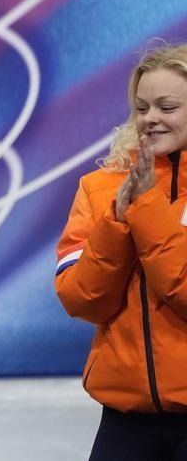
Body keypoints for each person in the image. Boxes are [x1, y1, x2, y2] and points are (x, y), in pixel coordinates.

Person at [55, 41, 187, 460]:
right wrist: (115, 223)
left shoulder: (136, 197)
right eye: (142, 107)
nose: (150, 118)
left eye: (167, 107)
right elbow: (82, 300)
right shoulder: (100, 189)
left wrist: (146, 209)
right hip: (125, 421)